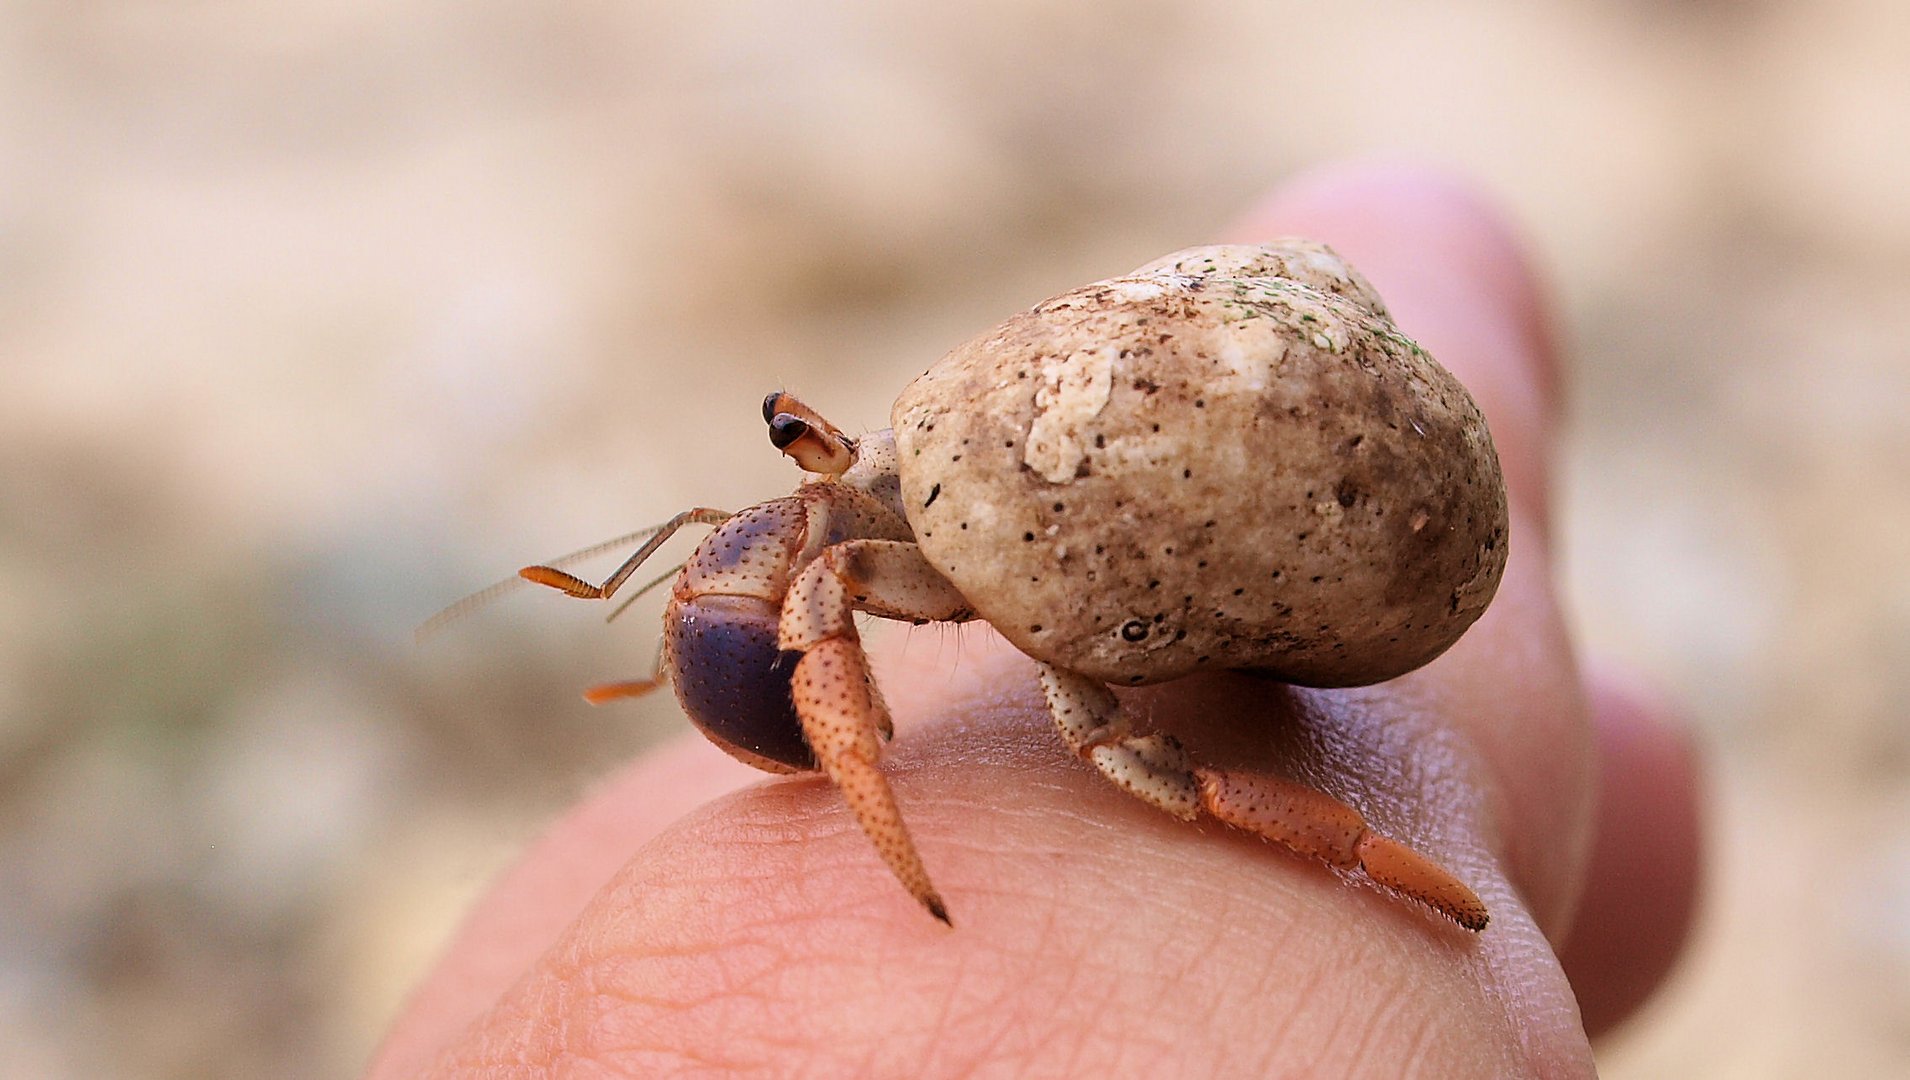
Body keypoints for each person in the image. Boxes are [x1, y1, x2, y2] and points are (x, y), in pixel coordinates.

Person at [367, 164, 1702, 1078]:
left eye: (804, 440)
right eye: (798, 440)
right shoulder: (872, 499)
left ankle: (1356, 855)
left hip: (1341, 550)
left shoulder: (903, 532)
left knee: (1149, 769)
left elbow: (822, 598)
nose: (807, 465)